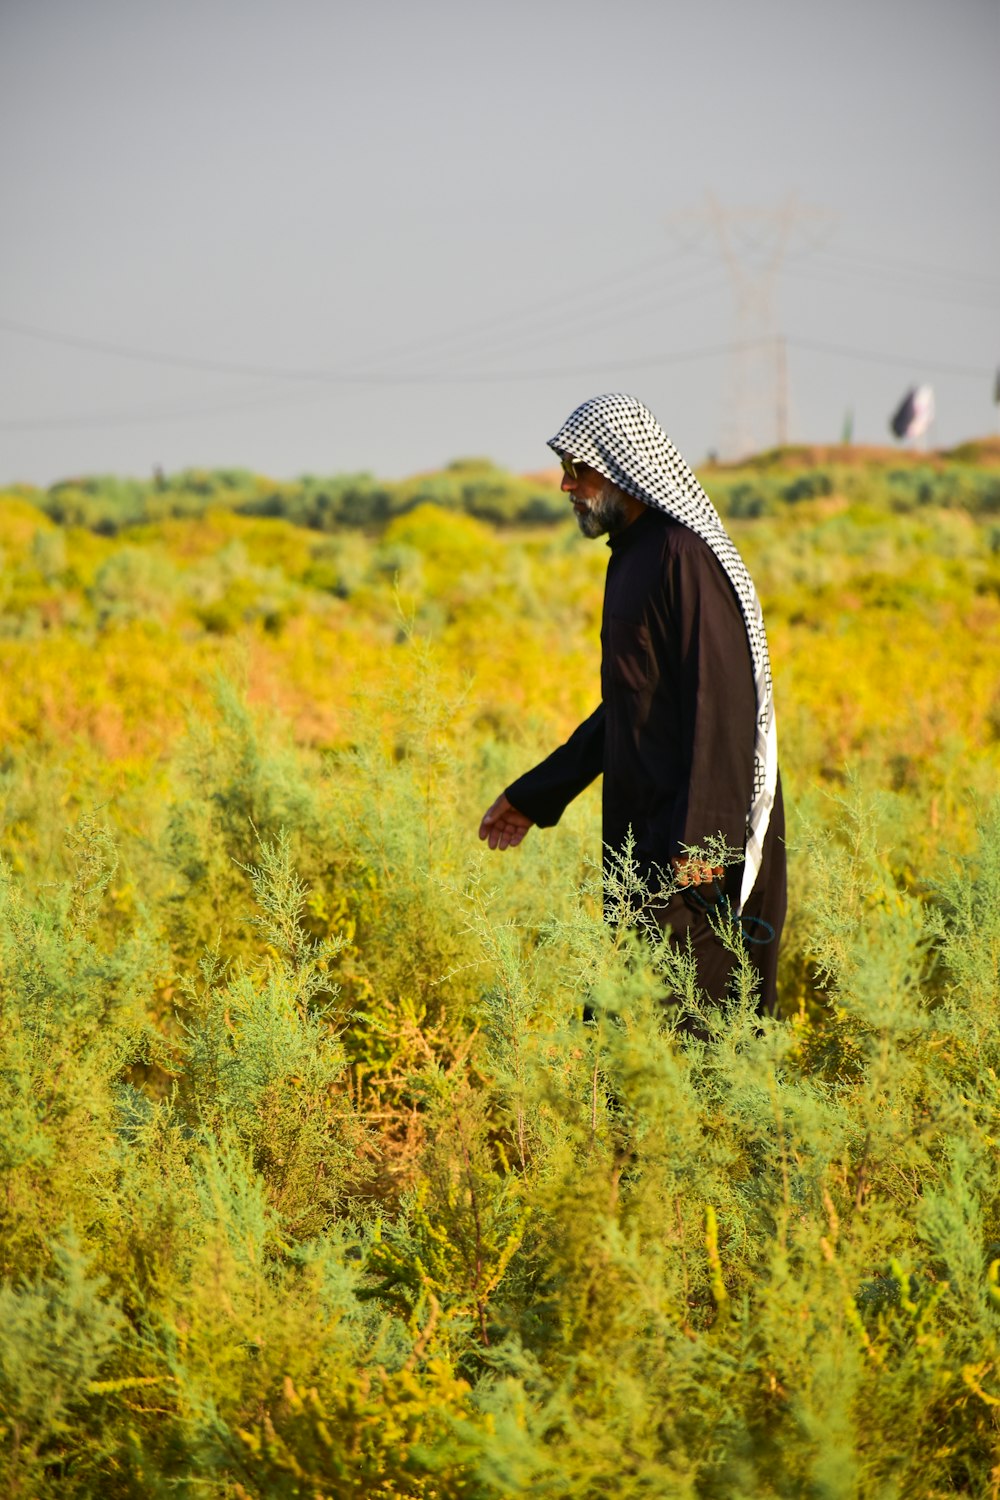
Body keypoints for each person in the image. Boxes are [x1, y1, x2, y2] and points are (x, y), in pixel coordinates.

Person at [478, 393, 786, 1014]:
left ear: (621, 469)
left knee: (685, 1039)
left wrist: (701, 853)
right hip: (645, 838)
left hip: (701, 852)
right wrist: (535, 794)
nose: (566, 485)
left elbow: (721, 712)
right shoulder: (632, 557)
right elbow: (627, 708)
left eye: (578, 470)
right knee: (634, 1038)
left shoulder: (683, 558)